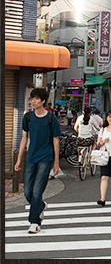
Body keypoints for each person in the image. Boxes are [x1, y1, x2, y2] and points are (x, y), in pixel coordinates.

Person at [14, 88, 61, 234]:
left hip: (46, 158)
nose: (33, 101)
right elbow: (24, 138)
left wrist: (56, 162)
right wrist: (19, 158)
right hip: (31, 158)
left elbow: (56, 140)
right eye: (32, 98)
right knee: (27, 192)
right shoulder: (28, 117)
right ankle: (40, 206)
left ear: (43, 101)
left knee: (36, 191)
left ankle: (34, 222)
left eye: (35, 99)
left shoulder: (51, 118)